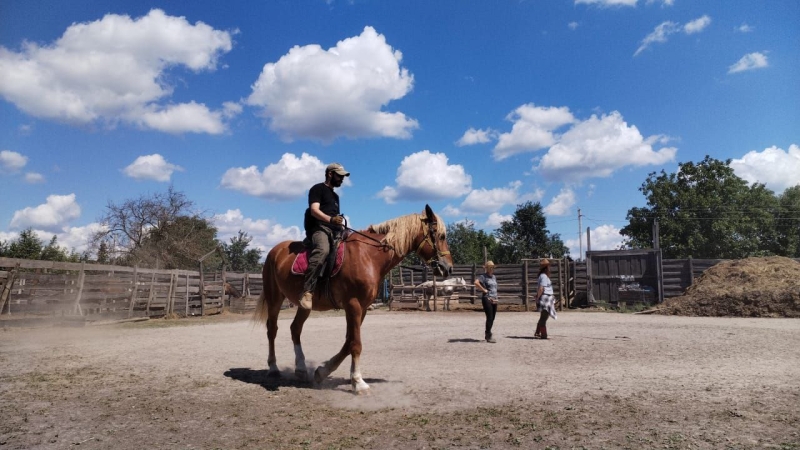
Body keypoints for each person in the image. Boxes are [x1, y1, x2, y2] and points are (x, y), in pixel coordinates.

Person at [300, 162, 350, 310]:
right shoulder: (317, 189)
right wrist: (330, 219)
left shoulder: (335, 196)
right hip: (319, 229)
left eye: (343, 177)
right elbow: (314, 210)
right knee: (323, 251)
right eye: (339, 176)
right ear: (330, 174)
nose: (342, 179)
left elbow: (334, 216)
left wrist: (340, 225)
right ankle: (307, 291)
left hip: (335, 230)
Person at [475, 261, 498, 343]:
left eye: (492, 267)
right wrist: (484, 290)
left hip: (494, 299)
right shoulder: (483, 276)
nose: (491, 269)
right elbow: (476, 282)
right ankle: (488, 335)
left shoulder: (494, 277)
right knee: (490, 317)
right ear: (487, 268)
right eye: (489, 267)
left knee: (493, 317)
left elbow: (494, 288)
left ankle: (488, 333)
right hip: (487, 298)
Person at [535, 258, 557, 339]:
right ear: (546, 267)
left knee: (544, 316)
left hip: (547, 297)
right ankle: (543, 335)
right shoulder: (544, 276)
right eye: (549, 266)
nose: (550, 268)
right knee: (544, 317)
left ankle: (538, 332)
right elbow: (541, 288)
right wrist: (538, 297)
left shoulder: (544, 276)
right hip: (545, 298)